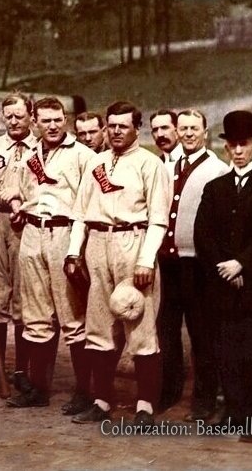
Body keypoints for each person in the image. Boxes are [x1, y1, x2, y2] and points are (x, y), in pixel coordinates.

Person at [65, 100, 171, 426]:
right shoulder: (96, 163)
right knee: (98, 328)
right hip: (98, 243)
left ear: (136, 128)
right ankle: (102, 401)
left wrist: (145, 259)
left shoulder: (150, 164)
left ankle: (144, 407)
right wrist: (73, 252)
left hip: (133, 240)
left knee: (139, 327)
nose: (116, 131)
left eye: (122, 126)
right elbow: (80, 213)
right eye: (111, 126)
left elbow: (158, 219)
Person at [194, 110, 252, 442]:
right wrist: (224, 267)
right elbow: (203, 234)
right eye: (232, 145)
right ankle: (233, 414)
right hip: (222, 286)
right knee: (226, 353)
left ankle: (251, 420)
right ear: (226, 147)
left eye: (244, 144)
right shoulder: (214, 187)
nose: (238, 151)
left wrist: (241, 264)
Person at [9, 97, 95, 412]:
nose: (53, 125)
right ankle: (39, 389)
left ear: (66, 119)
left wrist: (76, 249)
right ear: (35, 122)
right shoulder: (28, 155)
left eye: (58, 119)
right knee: (35, 315)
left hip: (65, 232)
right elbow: (16, 191)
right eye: (45, 120)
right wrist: (18, 207)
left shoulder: (84, 156)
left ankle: (85, 390)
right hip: (32, 232)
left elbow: (89, 204)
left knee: (73, 315)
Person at [154, 109, 228, 418]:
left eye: (193, 128)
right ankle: (168, 392)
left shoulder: (217, 169)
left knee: (202, 334)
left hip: (197, 265)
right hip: (168, 262)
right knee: (166, 330)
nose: (187, 133)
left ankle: (204, 401)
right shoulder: (166, 165)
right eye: (182, 128)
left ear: (205, 131)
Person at [0, 93, 36, 394]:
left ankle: (22, 368)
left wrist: (22, 203)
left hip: (26, 223)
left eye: (20, 115)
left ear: (31, 115)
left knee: (24, 296)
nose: (14, 121)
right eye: (8, 116)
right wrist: (9, 197)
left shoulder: (39, 150)